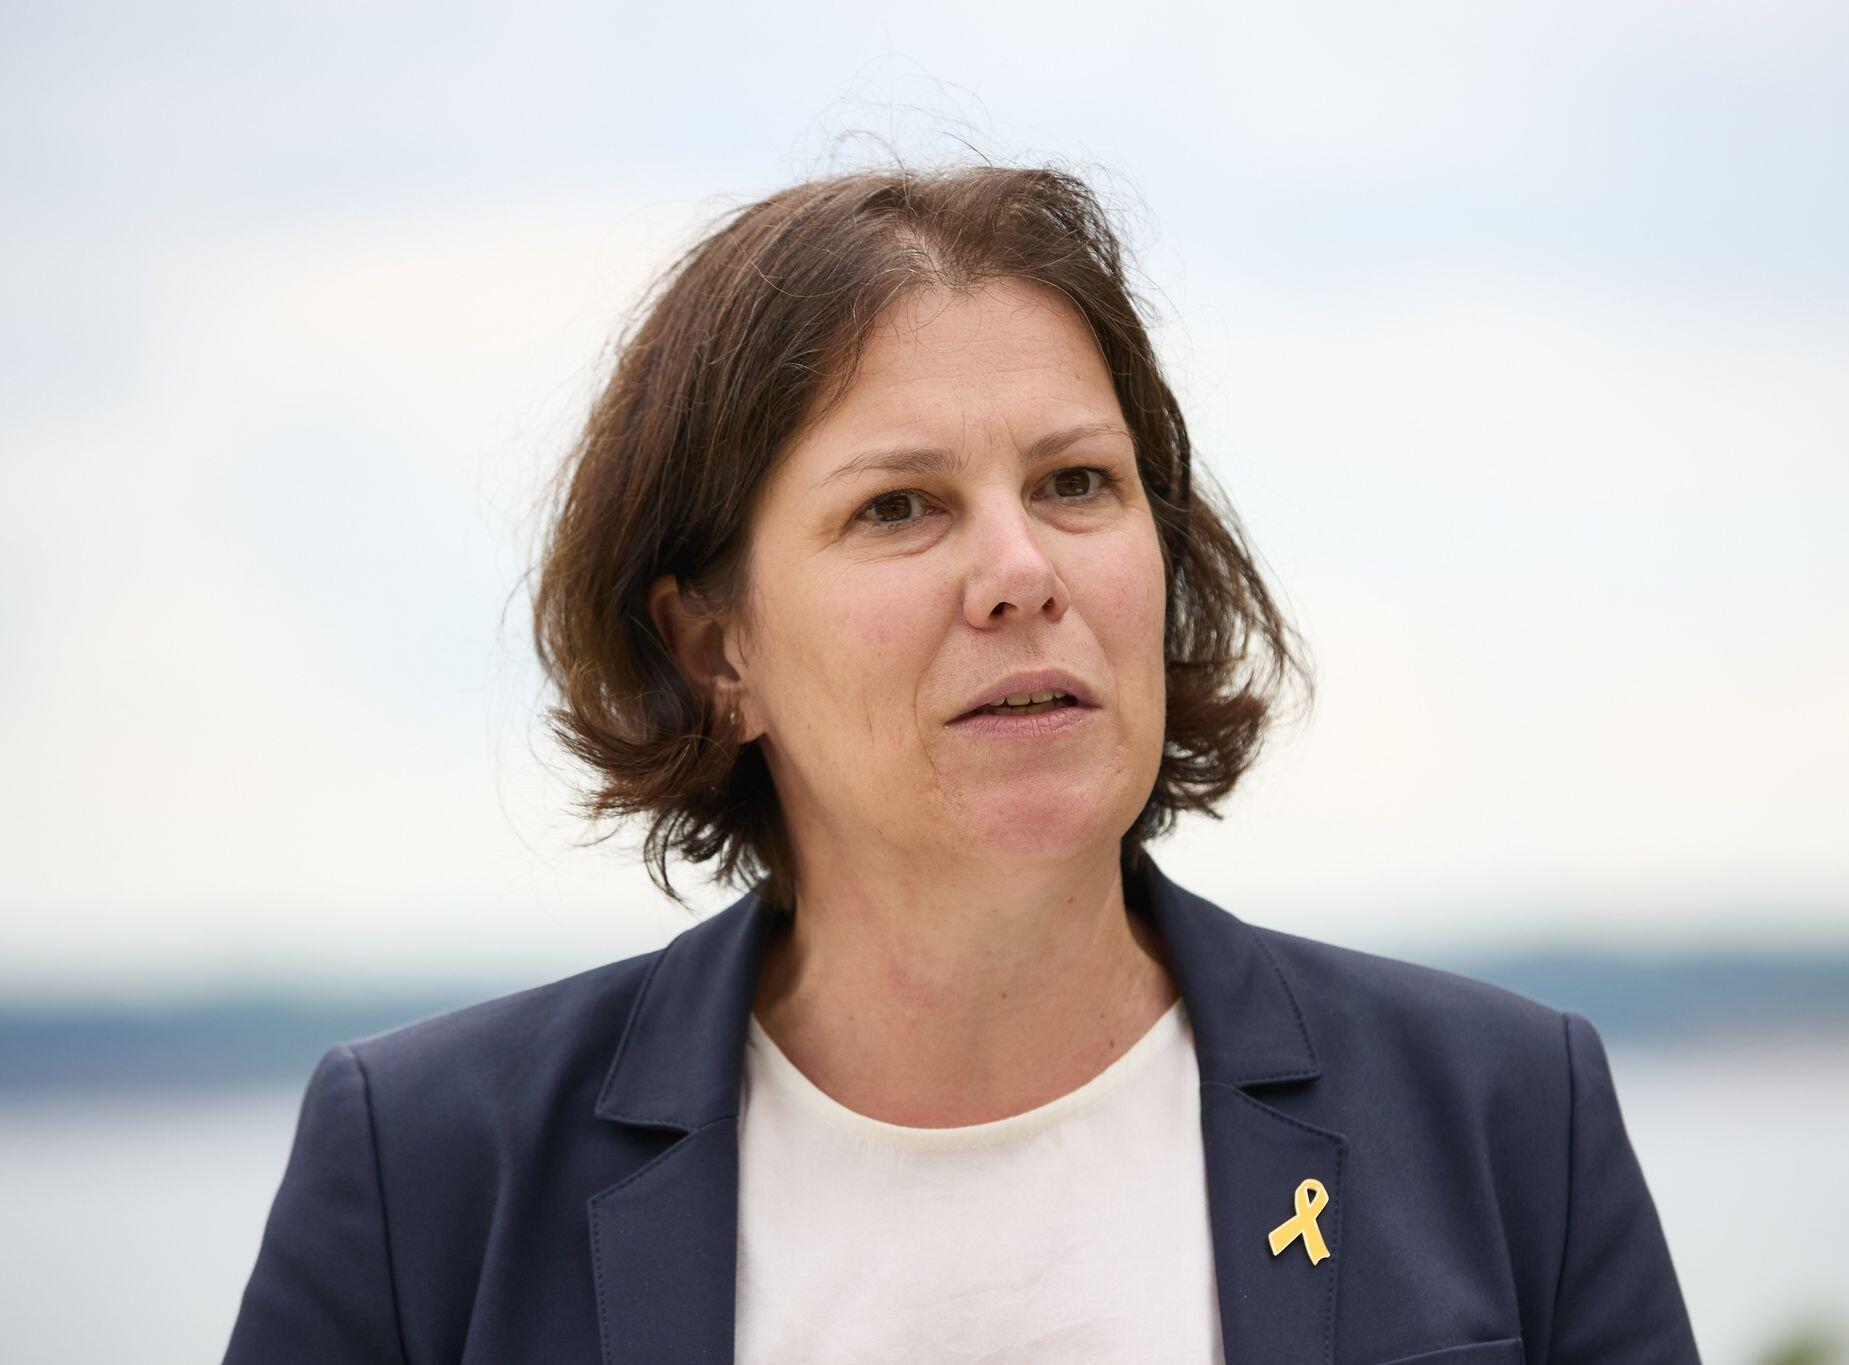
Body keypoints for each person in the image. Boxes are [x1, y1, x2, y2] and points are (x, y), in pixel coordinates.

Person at [222, 161, 1701, 1365]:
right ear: (717, 651)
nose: (1020, 571)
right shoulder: (431, 1175)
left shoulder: (1507, 1116)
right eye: (901, 507)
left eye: (1076, 483)